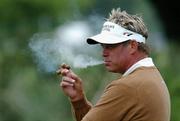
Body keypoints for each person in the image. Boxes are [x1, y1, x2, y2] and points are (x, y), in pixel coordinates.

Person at [57, 8, 171, 121]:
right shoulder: (150, 75)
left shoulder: (127, 86)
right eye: (103, 46)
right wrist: (79, 100)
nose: (104, 53)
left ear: (132, 45)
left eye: (110, 46)